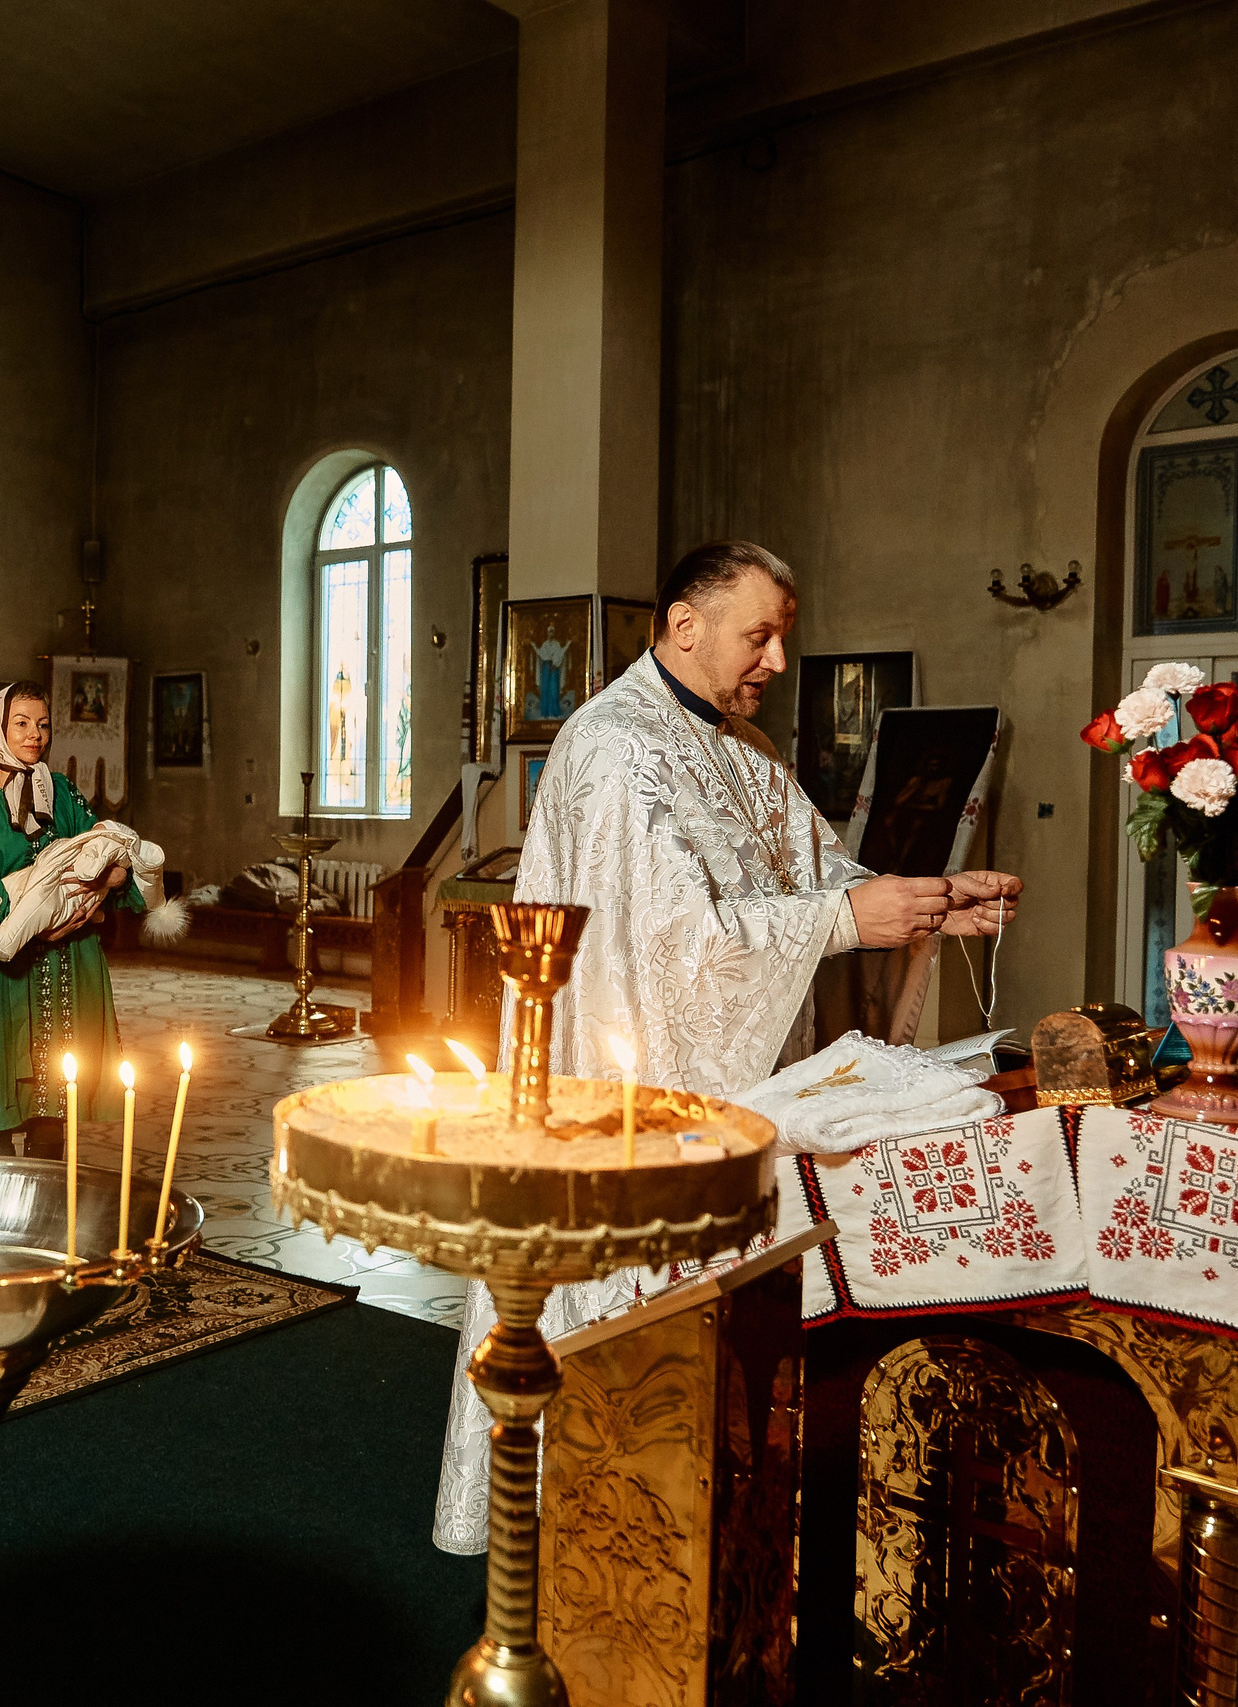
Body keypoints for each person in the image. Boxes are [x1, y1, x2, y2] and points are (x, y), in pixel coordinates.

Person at [431, 540, 1025, 1554]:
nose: (777, 662)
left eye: (782, 637)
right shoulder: (618, 748)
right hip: (635, 1093)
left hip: (739, 1081)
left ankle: (720, 1499)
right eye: (760, 635)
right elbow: (669, 951)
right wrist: (850, 919)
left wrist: (926, 901)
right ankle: (607, 1506)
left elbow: (822, 872)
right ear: (682, 625)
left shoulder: (738, 748)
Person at [0, 684, 145, 1158]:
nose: (35, 735)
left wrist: (108, 879)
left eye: (43, 724)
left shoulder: (64, 792)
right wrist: (30, 923)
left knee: (55, 1114)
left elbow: (107, 852)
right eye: (22, 723)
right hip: (0, 973)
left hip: (68, 963)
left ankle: (49, 1219)